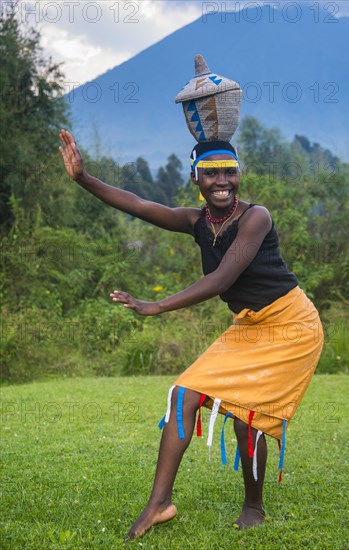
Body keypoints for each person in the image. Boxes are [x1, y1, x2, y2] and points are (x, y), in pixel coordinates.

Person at [59, 129, 324, 541]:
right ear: (195, 179)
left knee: (246, 419)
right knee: (183, 393)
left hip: (292, 326)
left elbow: (221, 279)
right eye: (211, 173)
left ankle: (253, 505)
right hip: (249, 325)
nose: (222, 181)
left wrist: (156, 305)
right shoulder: (196, 221)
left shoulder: (257, 216)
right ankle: (159, 504)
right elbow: (140, 205)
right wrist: (83, 178)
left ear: (239, 175)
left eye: (229, 172)